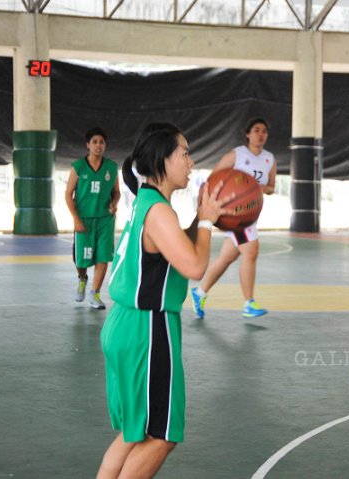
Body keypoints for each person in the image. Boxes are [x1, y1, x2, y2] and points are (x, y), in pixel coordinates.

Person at [96, 123, 231, 479]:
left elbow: (173, 250)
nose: (190, 161)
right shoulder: (159, 212)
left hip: (125, 325)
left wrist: (200, 222)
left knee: (133, 432)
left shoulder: (148, 202)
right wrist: (204, 224)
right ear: (162, 159)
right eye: (184, 153)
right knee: (161, 434)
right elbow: (195, 266)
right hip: (147, 330)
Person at [190, 118, 277, 319]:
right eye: (256, 130)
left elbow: (271, 187)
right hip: (232, 214)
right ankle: (248, 303)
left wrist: (253, 188)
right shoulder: (237, 155)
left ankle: (200, 292)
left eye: (264, 131)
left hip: (250, 214)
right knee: (251, 251)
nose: (261, 134)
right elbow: (213, 179)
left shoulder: (269, 159)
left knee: (227, 257)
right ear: (248, 134)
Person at [65, 127, 120, 309]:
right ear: (88, 145)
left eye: (102, 142)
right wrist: (75, 218)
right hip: (84, 220)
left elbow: (116, 192)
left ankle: (95, 294)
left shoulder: (111, 167)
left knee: (102, 256)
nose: (98, 145)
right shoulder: (78, 167)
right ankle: (82, 278)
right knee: (81, 258)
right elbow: (68, 194)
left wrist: (115, 203)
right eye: (95, 142)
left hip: (105, 219)